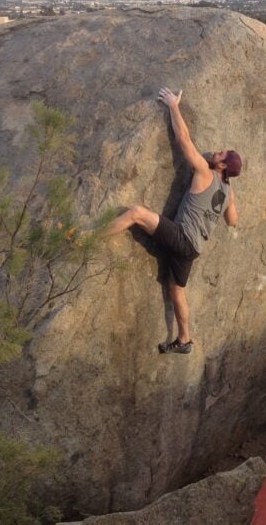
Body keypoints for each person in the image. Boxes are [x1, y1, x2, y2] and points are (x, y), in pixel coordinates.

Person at [104, 87, 241, 354]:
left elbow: (184, 140)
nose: (215, 152)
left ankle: (86, 238)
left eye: (220, 154)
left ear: (222, 166)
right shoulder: (228, 192)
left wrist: (173, 106)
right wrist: (224, 204)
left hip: (181, 237)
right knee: (176, 291)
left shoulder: (204, 172)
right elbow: (233, 222)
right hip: (192, 250)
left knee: (136, 213)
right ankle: (184, 339)